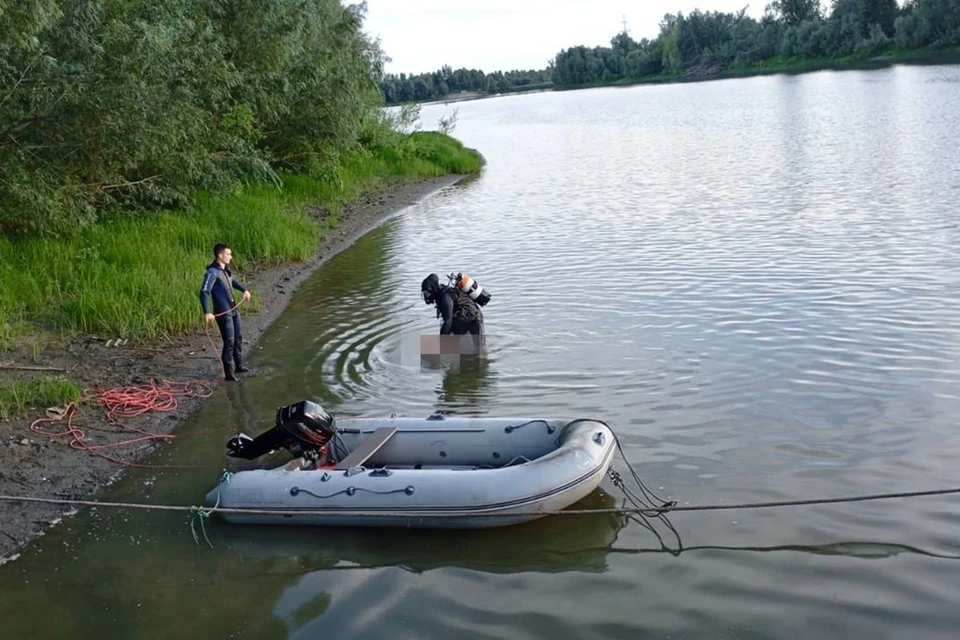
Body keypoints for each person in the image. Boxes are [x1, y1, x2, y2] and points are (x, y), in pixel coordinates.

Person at [200, 243, 252, 381]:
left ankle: (239, 366)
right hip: (223, 312)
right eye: (228, 254)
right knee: (229, 341)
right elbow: (204, 292)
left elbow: (232, 281)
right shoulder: (212, 272)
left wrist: (244, 290)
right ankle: (229, 374)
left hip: (234, 309)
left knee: (238, 338)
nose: (231, 256)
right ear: (220, 255)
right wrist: (207, 312)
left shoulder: (225, 270)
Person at [420, 273, 484, 348]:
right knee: (478, 348)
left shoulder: (445, 298)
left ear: (433, 289)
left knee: (475, 348)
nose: (427, 296)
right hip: (475, 315)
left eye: (428, 293)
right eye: (425, 294)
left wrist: (439, 342)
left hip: (471, 317)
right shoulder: (441, 292)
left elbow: (448, 321)